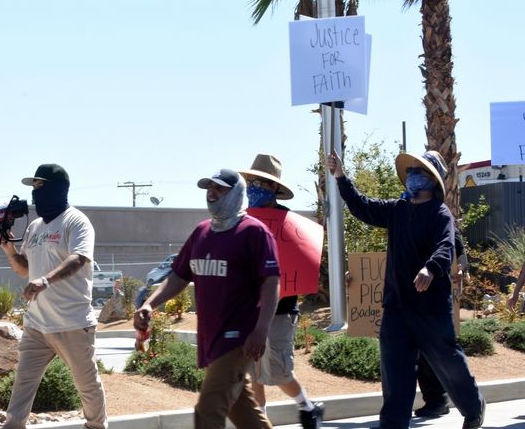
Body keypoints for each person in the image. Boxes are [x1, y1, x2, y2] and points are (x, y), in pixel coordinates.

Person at [326, 150, 485, 429]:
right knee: (395, 369)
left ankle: (473, 406)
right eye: (411, 170)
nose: (412, 175)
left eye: (419, 172)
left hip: (431, 309)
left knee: (448, 362)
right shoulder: (396, 210)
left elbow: (446, 246)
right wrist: (341, 177)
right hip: (397, 307)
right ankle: (393, 423)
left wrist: (430, 268)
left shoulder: (440, 214)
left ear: (431, 181)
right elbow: (362, 205)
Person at [134, 168, 281, 429]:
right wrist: (149, 304)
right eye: (209, 189)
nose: (211, 194)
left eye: (220, 189)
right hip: (211, 338)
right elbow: (179, 276)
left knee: (208, 411)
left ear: (236, 193)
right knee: (243, 412)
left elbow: (272, 283)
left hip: (240, 339)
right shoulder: (201, 233)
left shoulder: (254, 233)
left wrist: (261, 330)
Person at [0, 163, 107, 429]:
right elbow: (26, 268)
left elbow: (78, 258)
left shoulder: (76, 221)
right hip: (37, 324)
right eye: (33, 186)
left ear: (58, 189)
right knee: (23, 383)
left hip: (72, 323)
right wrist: (10, 250)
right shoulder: (35, 227)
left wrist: (46, 280)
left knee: (87, 385)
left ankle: (96, 427)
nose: (35, 193)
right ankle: (13, 426)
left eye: (40, 186)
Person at [239, 154, 324, 429]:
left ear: (274, 188)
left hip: (281, 311)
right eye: (251, 181)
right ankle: (260, 420)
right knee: (253, 372)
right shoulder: (243, 222)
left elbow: (305, 262)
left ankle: (308, 408)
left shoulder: (291, 226)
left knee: (278, 371)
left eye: (261, 182)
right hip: (249, 311)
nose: (254, 186)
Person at [414, 227, 468, 419]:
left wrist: (461, 270)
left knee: (434, 352)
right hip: (411, 297)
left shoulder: (445, 223)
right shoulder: (404, 219)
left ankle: (441, 401)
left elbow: (460, 256)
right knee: (417, 354)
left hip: (436, 297)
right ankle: (434, 400)